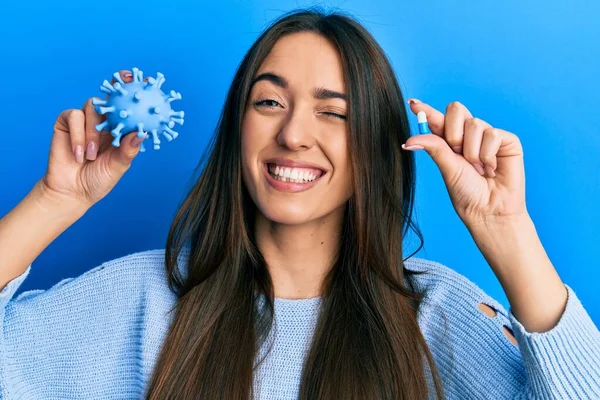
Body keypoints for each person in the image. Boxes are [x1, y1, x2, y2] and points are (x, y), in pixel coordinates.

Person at [0, 8, 598, 400]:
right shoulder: (143, 299)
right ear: (239, 127)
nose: (292, 135)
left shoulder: (436, 313)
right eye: (268, 103)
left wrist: (507, 230)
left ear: (373, 145)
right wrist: (56, 200)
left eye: (333, 112)